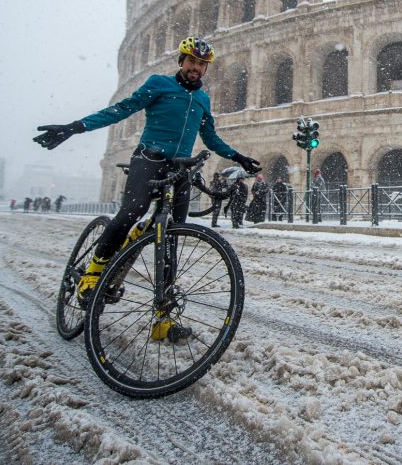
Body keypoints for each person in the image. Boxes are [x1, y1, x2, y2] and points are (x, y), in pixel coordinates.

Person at [33, 36, 261, 316]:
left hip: (180, 169)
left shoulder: (202, 99)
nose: (196, 68)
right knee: (132, 211)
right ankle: (93, 272)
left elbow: (210, 137)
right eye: (191, 61)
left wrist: (239, 157)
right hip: (149, 160)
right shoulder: (159, 84)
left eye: (202, 64)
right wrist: (76, 127)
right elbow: (122, 109)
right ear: (181, 61)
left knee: (173, 235)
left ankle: (163, 316)